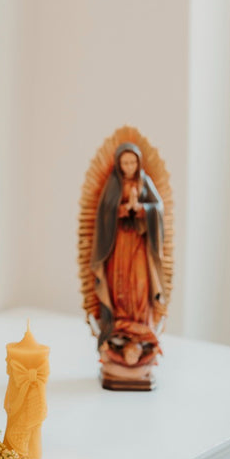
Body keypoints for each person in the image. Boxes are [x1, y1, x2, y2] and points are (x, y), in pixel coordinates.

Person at [90, 142, 164, 377]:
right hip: (119, 244)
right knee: (120, 284)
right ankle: (119, 323)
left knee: (140, 284)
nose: (130, 166)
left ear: (138, 163)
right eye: (125, 163)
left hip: (139, 244)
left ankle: (141, 326)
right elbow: (105, 213)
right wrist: (122, 210)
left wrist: (141, 209)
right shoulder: (113, 185)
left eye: (133, 162)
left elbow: (158, 208)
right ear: (119, 164)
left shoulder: (145, 182)